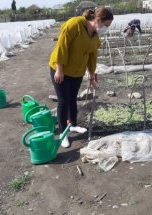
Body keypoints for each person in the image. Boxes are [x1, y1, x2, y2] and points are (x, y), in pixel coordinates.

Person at [48, 8, 114, 148]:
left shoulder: (94, 36)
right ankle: (63, 134)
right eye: (106, 25)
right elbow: (62, 47)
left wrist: (91, 75)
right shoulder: (75, 24)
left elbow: (92, 56)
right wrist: (59, 70)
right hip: (61, 69)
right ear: (99, 20)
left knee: (73, 99)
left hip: (77, 72)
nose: (106, 29)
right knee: (63, 101)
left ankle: (73, 125)